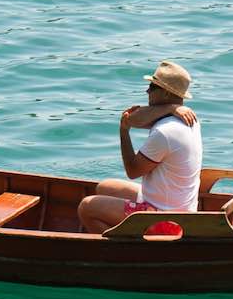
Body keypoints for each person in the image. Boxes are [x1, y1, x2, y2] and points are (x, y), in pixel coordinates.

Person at [78, 60, 202, 234]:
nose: (147, 91)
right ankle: (129, 235)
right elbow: (137, 117)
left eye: (152, 87)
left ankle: (123, 253)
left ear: (165, 93)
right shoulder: (188, 119)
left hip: (165, 219)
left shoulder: (165, 132)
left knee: (87, 207)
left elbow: (132, 171)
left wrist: (124, 131)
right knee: (104, 187)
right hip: (181, 209)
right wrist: (172, 107)